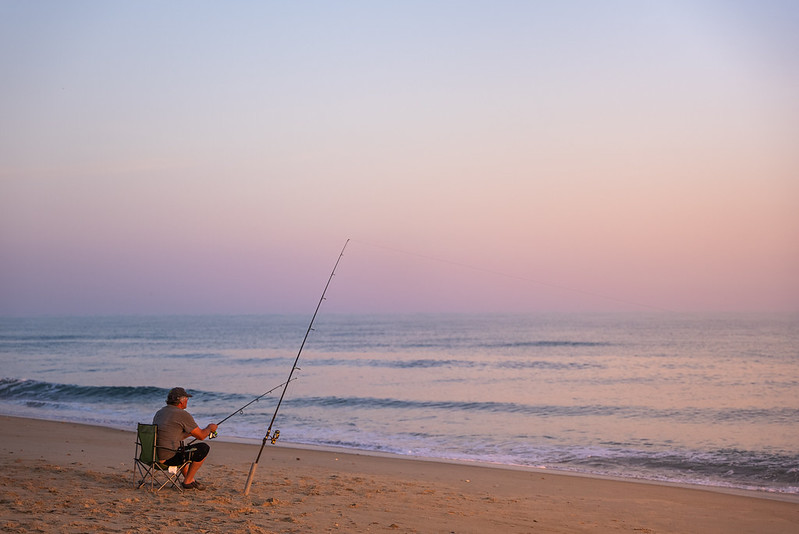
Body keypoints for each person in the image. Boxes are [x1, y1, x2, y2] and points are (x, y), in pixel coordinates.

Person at [152, 387, 218, 490]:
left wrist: (190, 434)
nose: (187, 401)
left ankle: (190, 479)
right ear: (181, 401)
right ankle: (187, 481)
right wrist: (210, 428)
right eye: (187, 398)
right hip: (169, 458)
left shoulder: (160, 412)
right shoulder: (182, 414)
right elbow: (201, 436)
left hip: (154, 456)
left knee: (184, 448)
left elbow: (170, 434)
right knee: (203, 448)